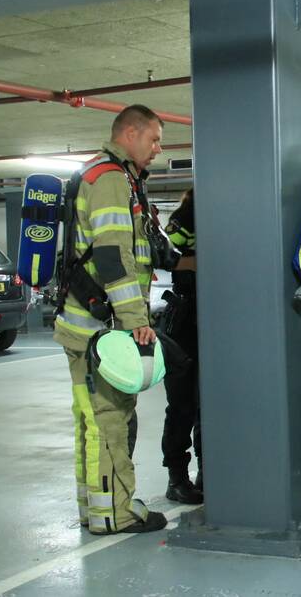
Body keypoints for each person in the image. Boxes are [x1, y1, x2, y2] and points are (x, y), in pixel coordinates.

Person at [53, 104, 166, 535]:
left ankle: (95, 506)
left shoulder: (98, 173)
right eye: (153, 138)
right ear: (130, 133)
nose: (157, 148)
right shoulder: (112, 179)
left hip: (81, 325)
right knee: (110, 421)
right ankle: (114, 513)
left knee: (91, 419)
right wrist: (136, 318)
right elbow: (113, 256)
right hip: (101, 328)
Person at [159, 188, 203, 503]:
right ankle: (177, 478)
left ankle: (209, 471)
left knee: (207, 405)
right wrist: (199, 263)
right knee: (182, 404)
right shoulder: (183, 219)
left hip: (212, 318)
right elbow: (165, 260)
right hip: (184, 319)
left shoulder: (223, 217)